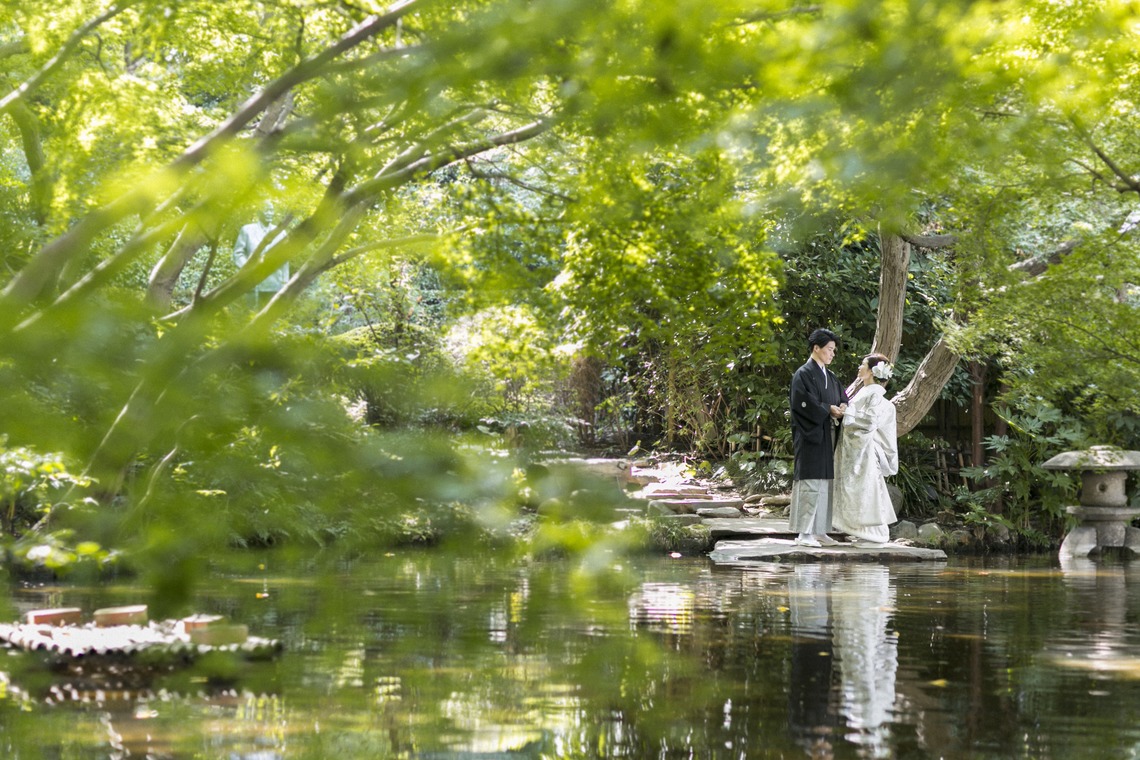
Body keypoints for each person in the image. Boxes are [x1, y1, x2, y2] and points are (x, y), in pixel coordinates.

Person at [788, 328, 849, 547]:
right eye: (830, 349)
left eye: (834, 350)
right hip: (810, 435)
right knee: (811, 483)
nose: (833, 354)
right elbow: (803, 404)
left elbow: (843, 397)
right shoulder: (803, 373)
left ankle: (821, 531)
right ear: (816, 348)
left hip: (827, 434)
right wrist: (827, 409)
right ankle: (804, 533)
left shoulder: (830, 376)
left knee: (825, 484)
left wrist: (842, 406)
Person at [832, 353, 899, 544]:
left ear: (871, 371)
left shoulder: (875, 393)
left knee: (865, 489)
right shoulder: (867, 391)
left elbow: (870, 421)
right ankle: (861, 529)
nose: (859, 368)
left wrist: (847, 412)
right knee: (860, 489)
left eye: (863, 365)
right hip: (857, 447)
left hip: (865, 449)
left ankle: (873, 532)